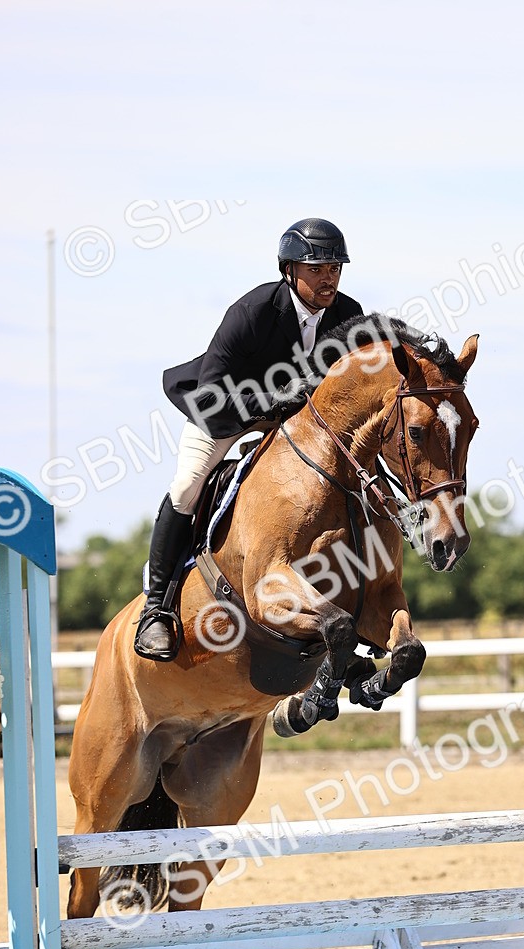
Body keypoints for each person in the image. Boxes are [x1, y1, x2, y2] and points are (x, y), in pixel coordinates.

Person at [134, 217, 364, 661]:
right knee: (187, 486)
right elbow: (212, 389)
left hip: (297, 423)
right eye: (315, 269)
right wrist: (274, 402)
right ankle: (156, 609)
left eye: (334, 267)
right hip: (225, 412)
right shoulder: (252, 312)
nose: (327, 277)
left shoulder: (348, 314)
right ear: (289, 270)